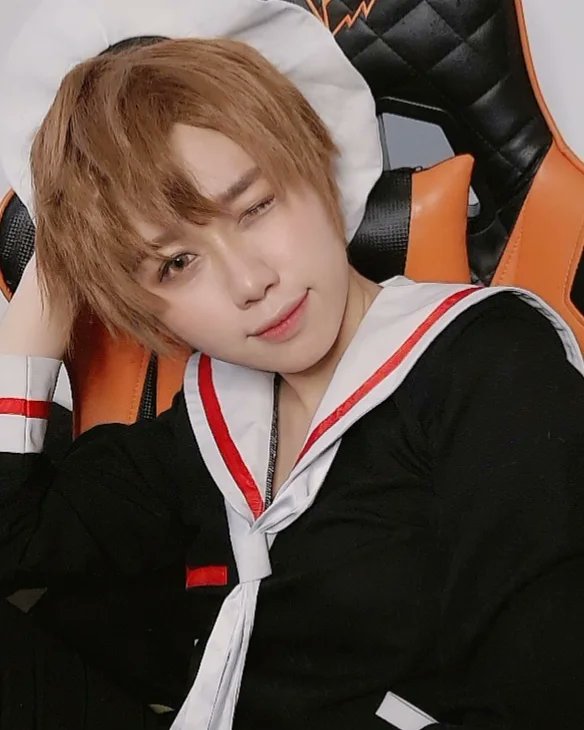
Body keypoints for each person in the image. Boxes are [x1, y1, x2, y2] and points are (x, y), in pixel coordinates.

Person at [2, 2, 584, 730]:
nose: (250, 282)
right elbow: (17, 542)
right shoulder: (206, 425)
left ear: (316, 162)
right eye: (176, 263)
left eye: (255, 207)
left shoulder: (490, 364)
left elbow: (546, 697)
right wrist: (54, 277)